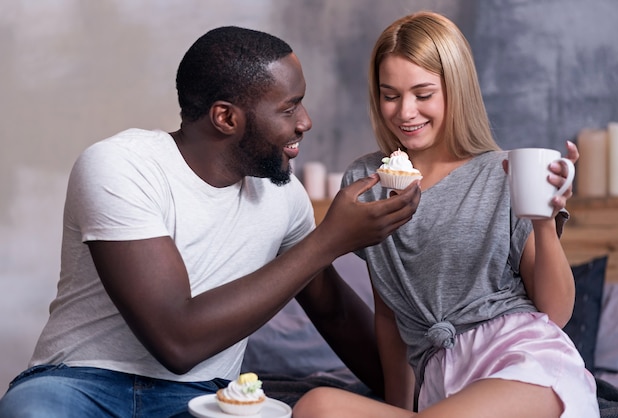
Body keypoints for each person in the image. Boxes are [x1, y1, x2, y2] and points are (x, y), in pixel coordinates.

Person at [0, 26, 421, 417]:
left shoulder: (283, 195)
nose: (305, 121)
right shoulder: (121, 166)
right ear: (226, 118)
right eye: (289, 107)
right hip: (79, 383)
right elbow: (177, 341)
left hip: (205, 396)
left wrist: (419, 402)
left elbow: (336, 315)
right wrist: (329, 239)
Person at [293, 11, 599, 418]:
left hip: (522, 362)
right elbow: (390, 313)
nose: (405, 112)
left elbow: (555, 313)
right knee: (316, 406)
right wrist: (397, 406)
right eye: (390, 95)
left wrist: (544, 220)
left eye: (423, 95)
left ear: (456, 89)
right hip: (442, 382)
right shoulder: (366, 181)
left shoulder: (503, 170)